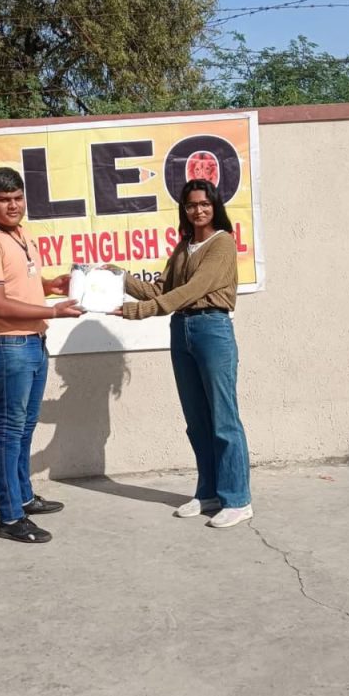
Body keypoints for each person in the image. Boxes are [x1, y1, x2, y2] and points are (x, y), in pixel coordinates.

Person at [115, 178, 252, 529]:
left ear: (215, 205)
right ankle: (208, 493)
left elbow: (193, 289)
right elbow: (160, 290)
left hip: (212, 329)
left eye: (204, 204)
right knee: (197, 420)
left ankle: (237, 499)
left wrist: (138, 312)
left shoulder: (222, 243)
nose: (198, 210)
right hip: (182, 330)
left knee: (224, 419)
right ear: (184, 209)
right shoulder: (184, 247)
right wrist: (119, 278)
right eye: (191, 205)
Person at [0, 167, 82, 544]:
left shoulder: (20, 233)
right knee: (7, 430)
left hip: (32, 342)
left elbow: (18, 283)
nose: (12, 205)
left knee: (24, 427)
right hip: (5, 346)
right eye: (3, 200)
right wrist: (53, 311)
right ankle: (10, 517)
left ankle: (24, 497)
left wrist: (50, 285)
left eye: (17, 198)